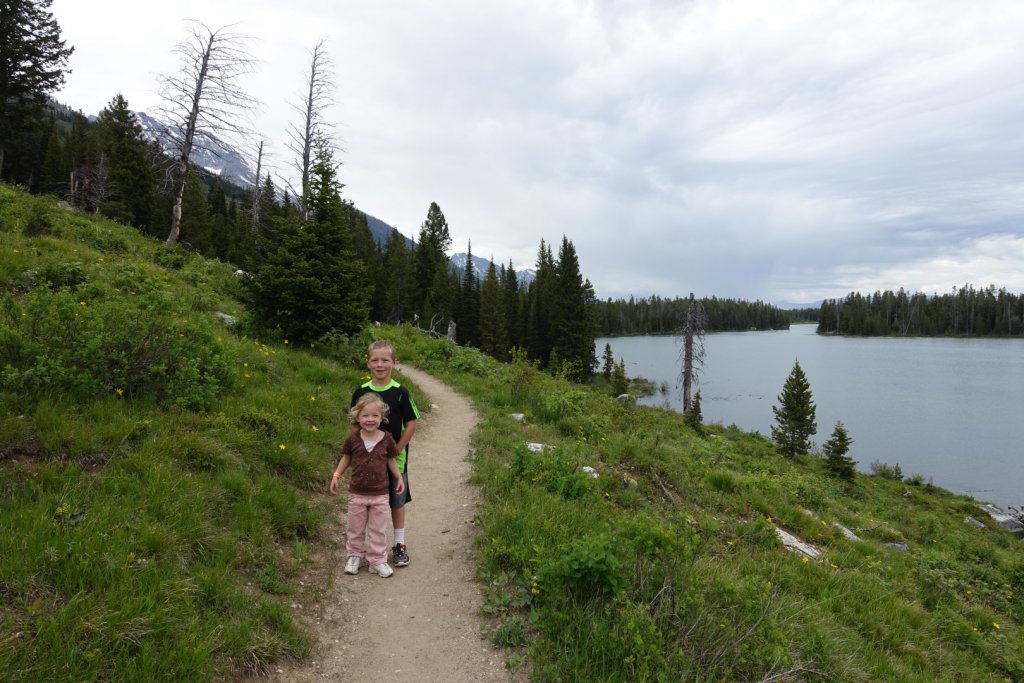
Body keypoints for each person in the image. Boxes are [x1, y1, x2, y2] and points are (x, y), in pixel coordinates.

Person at [351, 340, 419, 567]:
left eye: (385, 360)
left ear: (394, 362)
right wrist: (357, 450)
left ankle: (399, 545)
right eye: (375, 360)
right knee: (367, 501)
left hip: (396, 458)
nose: (380, 365)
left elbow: (411, 423)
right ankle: (361, 549)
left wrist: (398, 448)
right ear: (368, 363)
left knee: (396, 501)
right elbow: (354, 424)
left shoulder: (400, 392)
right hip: (368, 461)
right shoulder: (361, 392)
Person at [329, 393, 405, 578]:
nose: (370, 419)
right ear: (357, 417)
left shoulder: (387, 439)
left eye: (374, 415)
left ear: (382, 418)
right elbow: (346, 458)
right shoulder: (352, 440)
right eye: (365, 415)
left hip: (380, 494)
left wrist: (399, 478)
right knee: (355, 527)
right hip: (357, 493)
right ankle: (354, 555)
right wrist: (336, 475)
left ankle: (377, 560)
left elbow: (392, 461)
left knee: (378, 529)